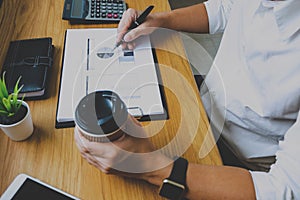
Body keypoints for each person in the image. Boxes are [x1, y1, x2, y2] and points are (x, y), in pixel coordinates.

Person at [74, 0, 300, 199]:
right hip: (202, 108)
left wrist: (148, 167)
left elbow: (282, 190)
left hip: (240, 165)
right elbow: (227, 7)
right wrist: (160, 20)